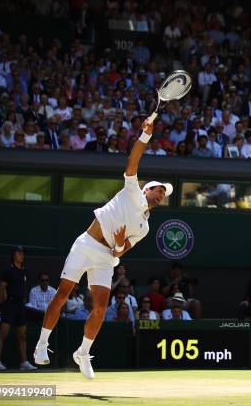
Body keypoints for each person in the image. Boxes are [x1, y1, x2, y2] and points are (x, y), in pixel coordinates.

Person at [33, 118, 173, 379]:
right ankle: (42, 344)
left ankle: (83, 353)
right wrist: (145, 136)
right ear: (147, 189)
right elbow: (134, 160)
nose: (161, 194)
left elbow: (121, 252)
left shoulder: (144, 227)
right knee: (63, 293)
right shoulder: (131, 189)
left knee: (99, 307)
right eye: (159, 190)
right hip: (86, 244)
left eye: (164, 194)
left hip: (106, 257)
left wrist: (119, 244)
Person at [0, 246, 37, 371]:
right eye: (19, 253)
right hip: (10, 305)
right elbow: (2, 287)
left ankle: (24, 362)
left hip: (20, 306)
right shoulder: (8, 271)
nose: (21, 255)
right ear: (13, 255)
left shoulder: (24, 271)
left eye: (22, 253)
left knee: (22, 336)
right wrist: (2, 304)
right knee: (3, 334)